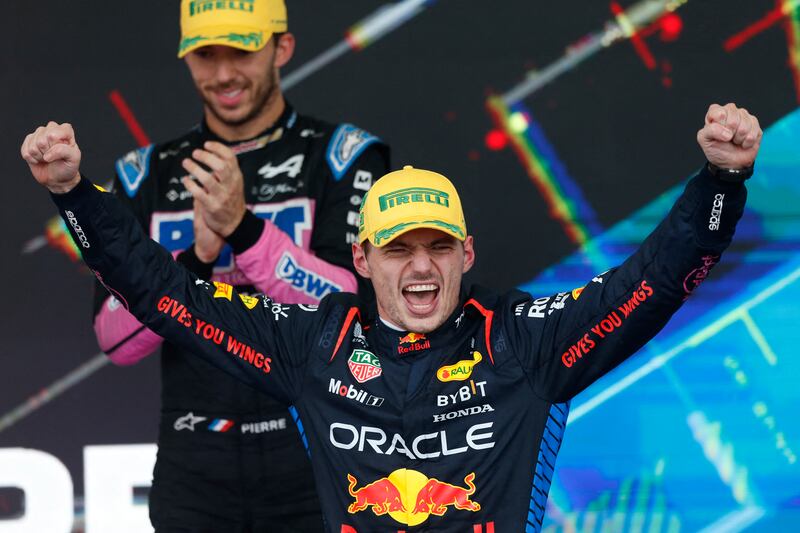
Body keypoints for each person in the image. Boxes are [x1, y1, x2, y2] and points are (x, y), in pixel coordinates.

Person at [22, 102, 760, 532]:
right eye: (399, 248)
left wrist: (722, 180)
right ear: (363, 257)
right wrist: (72, 195)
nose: (419, 267)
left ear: (466, 253)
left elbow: (657, 279)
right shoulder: (316, 340)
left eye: (438, 246)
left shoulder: (524, 339)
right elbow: (162, 294)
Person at [91, 0, 389, 530]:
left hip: (318, 452)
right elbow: (114, 340)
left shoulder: (345, 156)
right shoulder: (143, 176)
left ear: (283, 48)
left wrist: (243, 229)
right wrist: (196, 261)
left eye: (243, 51)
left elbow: (354, 310)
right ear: (186, 59)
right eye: (206, 54)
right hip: (194, 466)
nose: (224, 74)